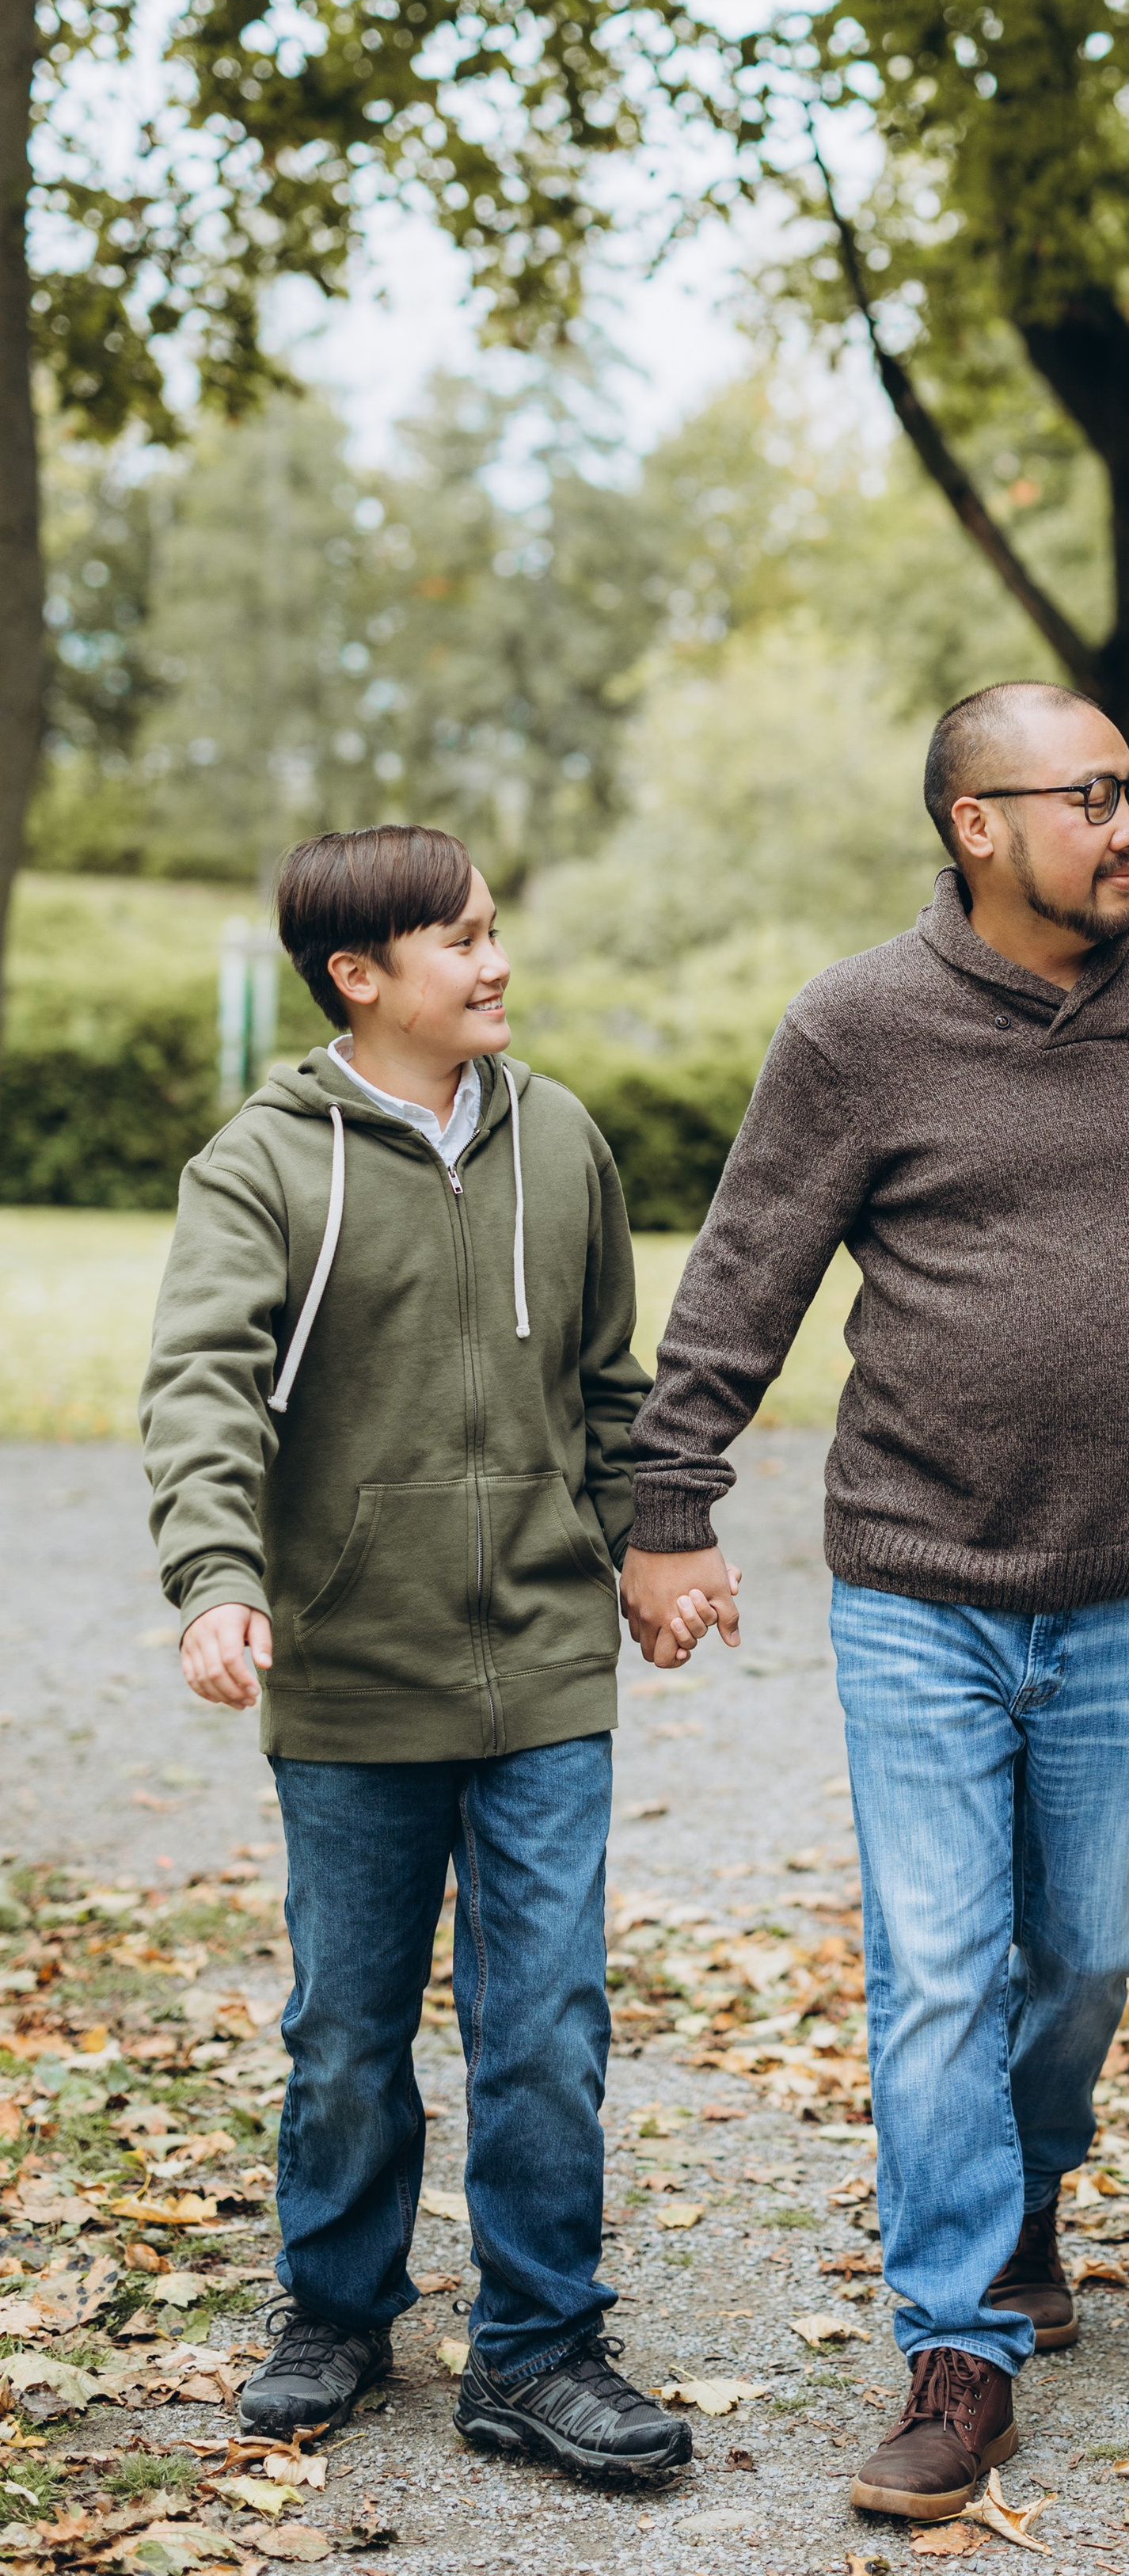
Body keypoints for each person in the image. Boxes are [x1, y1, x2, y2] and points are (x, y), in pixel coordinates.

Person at [623, 680, 1129, 2527]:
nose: (1126, 823)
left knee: (1078, 1954)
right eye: (1087, 797)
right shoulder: (858, 1026)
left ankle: (1024, 2186)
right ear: (974, 823)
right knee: (933, 1972)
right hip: (917, 1578)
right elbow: (747, 1270)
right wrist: (669, 1504)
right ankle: (959, 2345)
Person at [140, 826, 691, 2489]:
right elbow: (201, 1389)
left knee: (545, 2022)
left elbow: (611, 1381)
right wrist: (218, 1576)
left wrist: (646, 1546)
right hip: (353, 1670)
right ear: (359, 978)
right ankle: (335, 2307)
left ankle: (537, 2346)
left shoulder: (563, 1140)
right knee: (347, 2028)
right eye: (457, 942)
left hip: (539, 1665)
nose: (495, 961)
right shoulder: (262, 1164)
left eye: (493, 928)